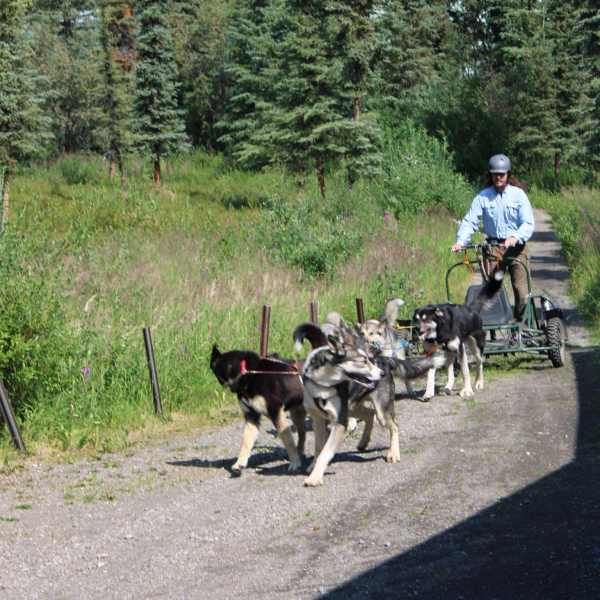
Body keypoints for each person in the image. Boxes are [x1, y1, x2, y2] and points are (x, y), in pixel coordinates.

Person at [451, 153, 535, 321]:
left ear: (508, 174)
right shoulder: (483, 197)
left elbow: (528, 223)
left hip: (516, 248)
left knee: (521, 290)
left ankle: (523, 327)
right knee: (491, 291)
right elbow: (470, 221)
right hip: (493, 249)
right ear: (490, 175)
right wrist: (461, 242)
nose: (498, 177)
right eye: (495, 174)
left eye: (502, 174)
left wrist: (515, 237)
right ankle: (492, 328)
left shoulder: (518, 195)